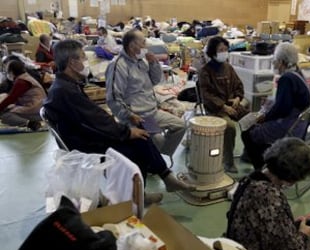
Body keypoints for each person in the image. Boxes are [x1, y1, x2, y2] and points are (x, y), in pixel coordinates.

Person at [43, 39, 195, 205]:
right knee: (139, 142)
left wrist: (153, 65)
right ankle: (148, 188)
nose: (86, 61)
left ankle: (158, 182)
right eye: (83, 57)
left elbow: (93, 115)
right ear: (72, 62)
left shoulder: (67, 85)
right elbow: (98, 117)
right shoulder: (67, 90)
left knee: (141, 134)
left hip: (122, 119)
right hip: (85, 142)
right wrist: (126, 131)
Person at [105, 30, 186, 160]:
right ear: (132, 46)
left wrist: (153, 63)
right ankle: (153, 159)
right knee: (157, 140)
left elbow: (155, 81)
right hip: (135, 116)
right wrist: (129, 115)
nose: (146, 46)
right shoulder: (118, 65)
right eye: (143, 43)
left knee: (180, 126)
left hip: (151, 112)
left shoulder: (141, 60)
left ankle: (158, 157)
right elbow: (113, 98)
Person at [241, 42, 310, 170]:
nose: (274, 63)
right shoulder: (297, 72)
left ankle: (262, 167)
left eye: (275, 60)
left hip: (289, 126)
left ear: (281, 61)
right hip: (300, 125)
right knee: (256, 124)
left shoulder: (287, 79)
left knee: (248, 133)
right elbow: (287, 102)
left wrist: (265, 117)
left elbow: (282, 109)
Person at [198, 36, 248, 173]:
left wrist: (238, 98)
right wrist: (223, 107)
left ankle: (248, 153)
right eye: (221, 50)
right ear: (213, 52)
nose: (224, 52)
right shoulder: (205, 71)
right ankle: (228, 162)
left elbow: (238, 85)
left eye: (226, 49)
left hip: (232, 105)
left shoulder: (228, 67)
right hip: (215, 109)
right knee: (230, 127)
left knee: (252, 121)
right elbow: (206, 95)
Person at [0, 60, 46, 130]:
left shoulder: (21, 82)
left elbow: (11, 98)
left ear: (12, 72)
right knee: (8, 108)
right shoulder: (25, 78)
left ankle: (29, 123)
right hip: (39, 108)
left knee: (5, 115)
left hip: (36, 111)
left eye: (7, 71)